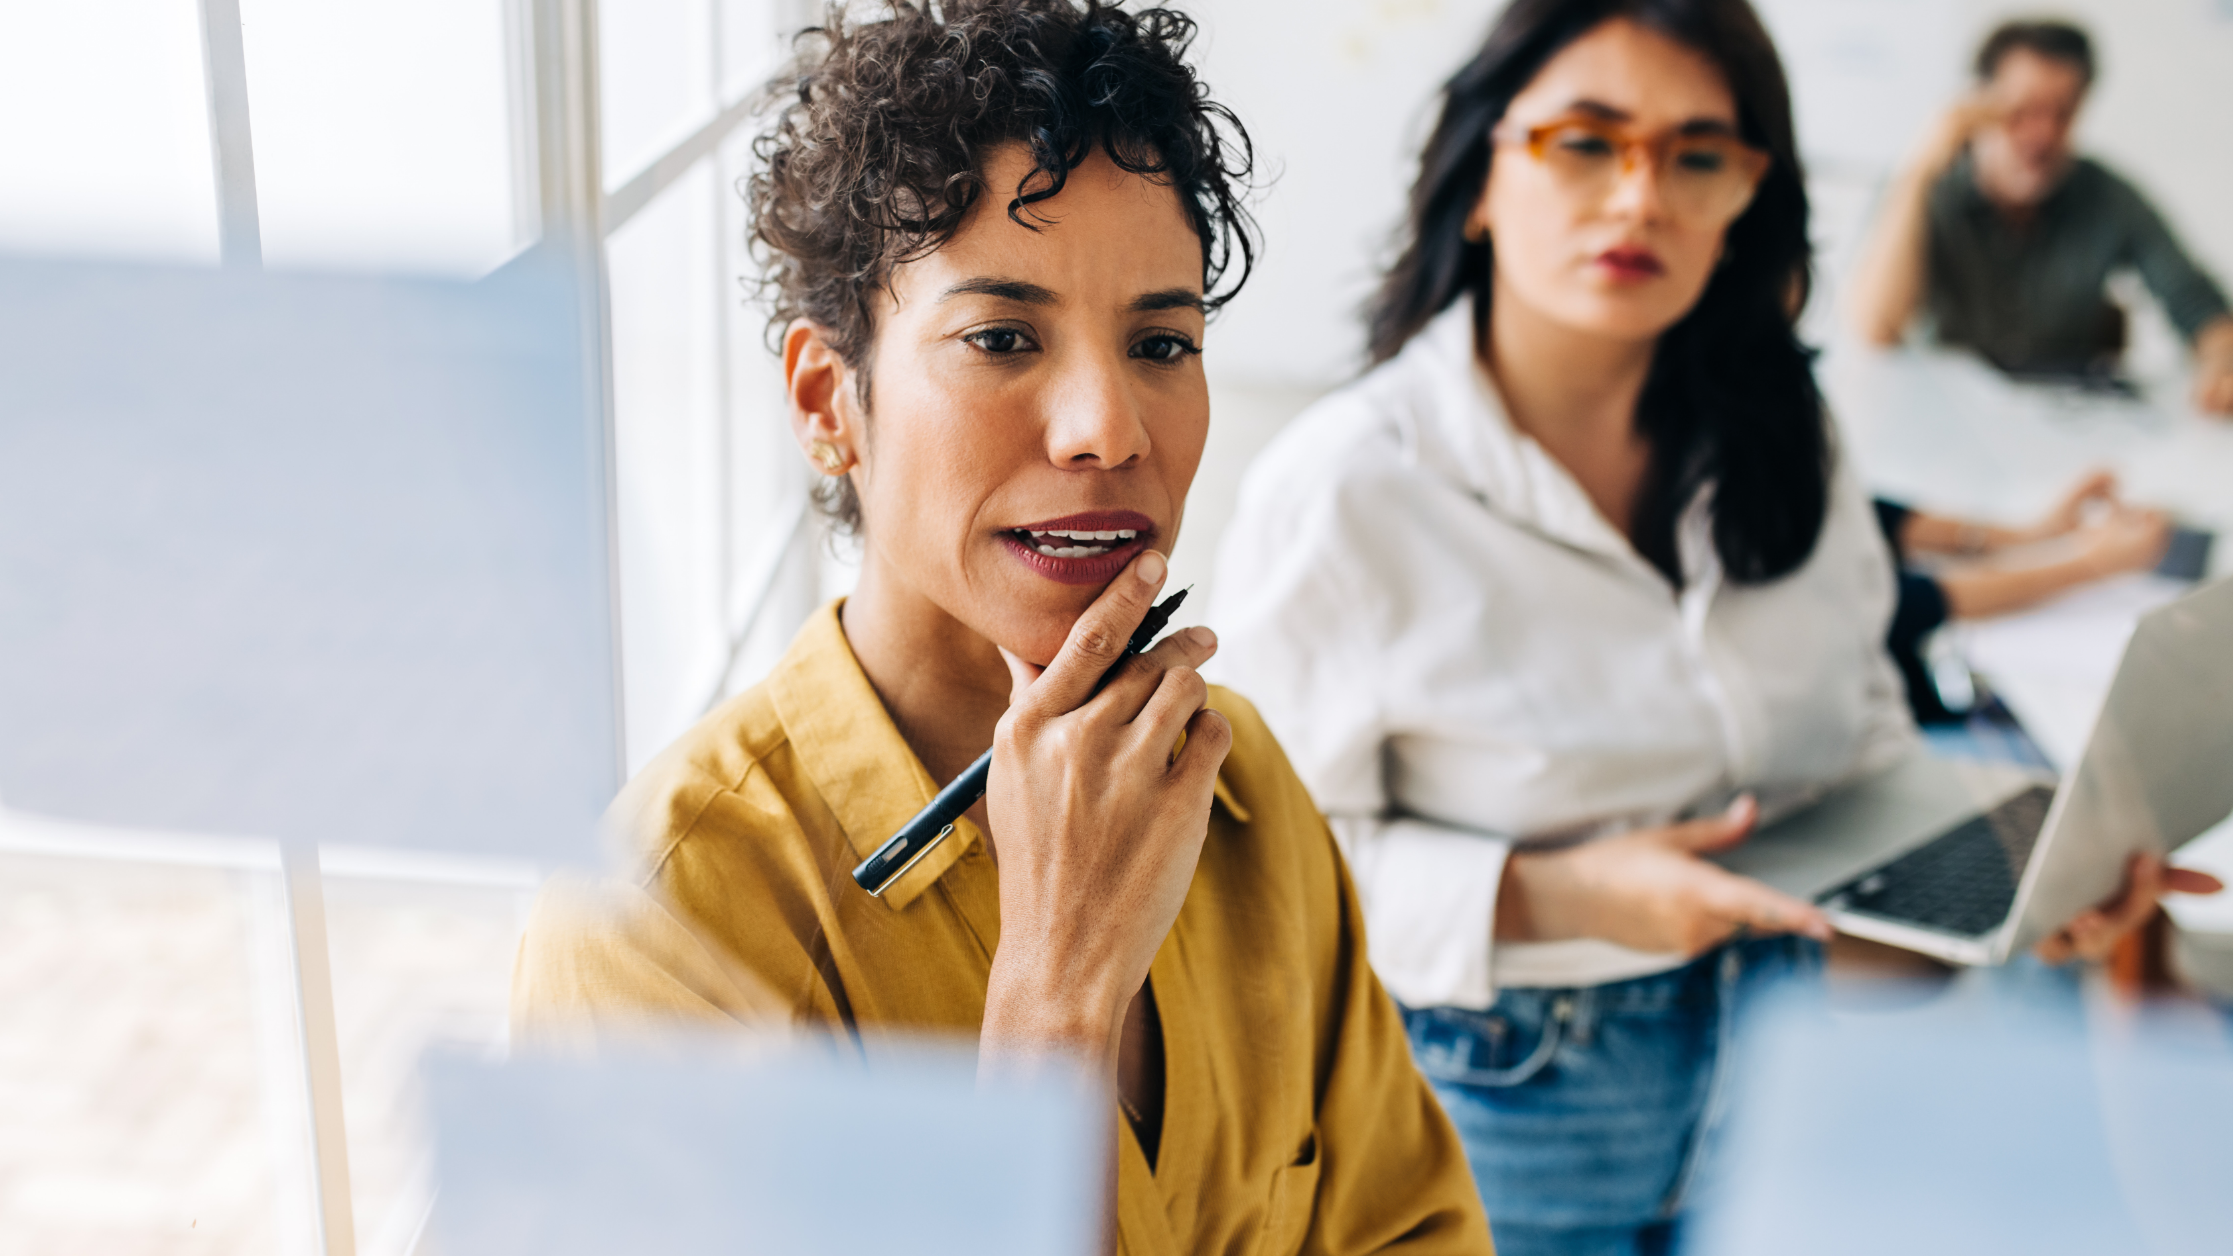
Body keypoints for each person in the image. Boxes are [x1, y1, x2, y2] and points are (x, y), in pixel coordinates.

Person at [1207, 1, 2212, 1251]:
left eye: (1696, 155)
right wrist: (1553, 892)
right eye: (1586, 141)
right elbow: (1249, 881)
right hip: (1494, 1092)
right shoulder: (1347, 487)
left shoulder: (1789, 438)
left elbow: (1858, 755)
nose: (1641, 199)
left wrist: (2017, 896)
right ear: (1480, 181)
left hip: (1777, 1051)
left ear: (1747, 197)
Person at [510, 4, 1491, 1253]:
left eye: (1161, 342)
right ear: (830, 403)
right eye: (1002, 337)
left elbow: (1418, 1226)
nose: (1108, 428)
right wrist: (1056, 1003)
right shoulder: (661, 926)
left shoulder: (1236, 784)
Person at [1847, 19, 2234, 413]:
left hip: (2063, 422)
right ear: (1978, 105)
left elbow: (2199, 304)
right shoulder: (1926, 186)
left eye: (2062, 114)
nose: (2042, 135)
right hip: (1947, 421)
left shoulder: (2106, 195)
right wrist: (1920, 170)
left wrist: (2221, 363)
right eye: (2022, 110)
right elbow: (1876, 329)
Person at [1875, 470, 2172, 724]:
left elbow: (1865, 514)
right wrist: (2094, 565)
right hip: (1908, 695)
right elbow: (1904, 604)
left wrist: (2028, 535)